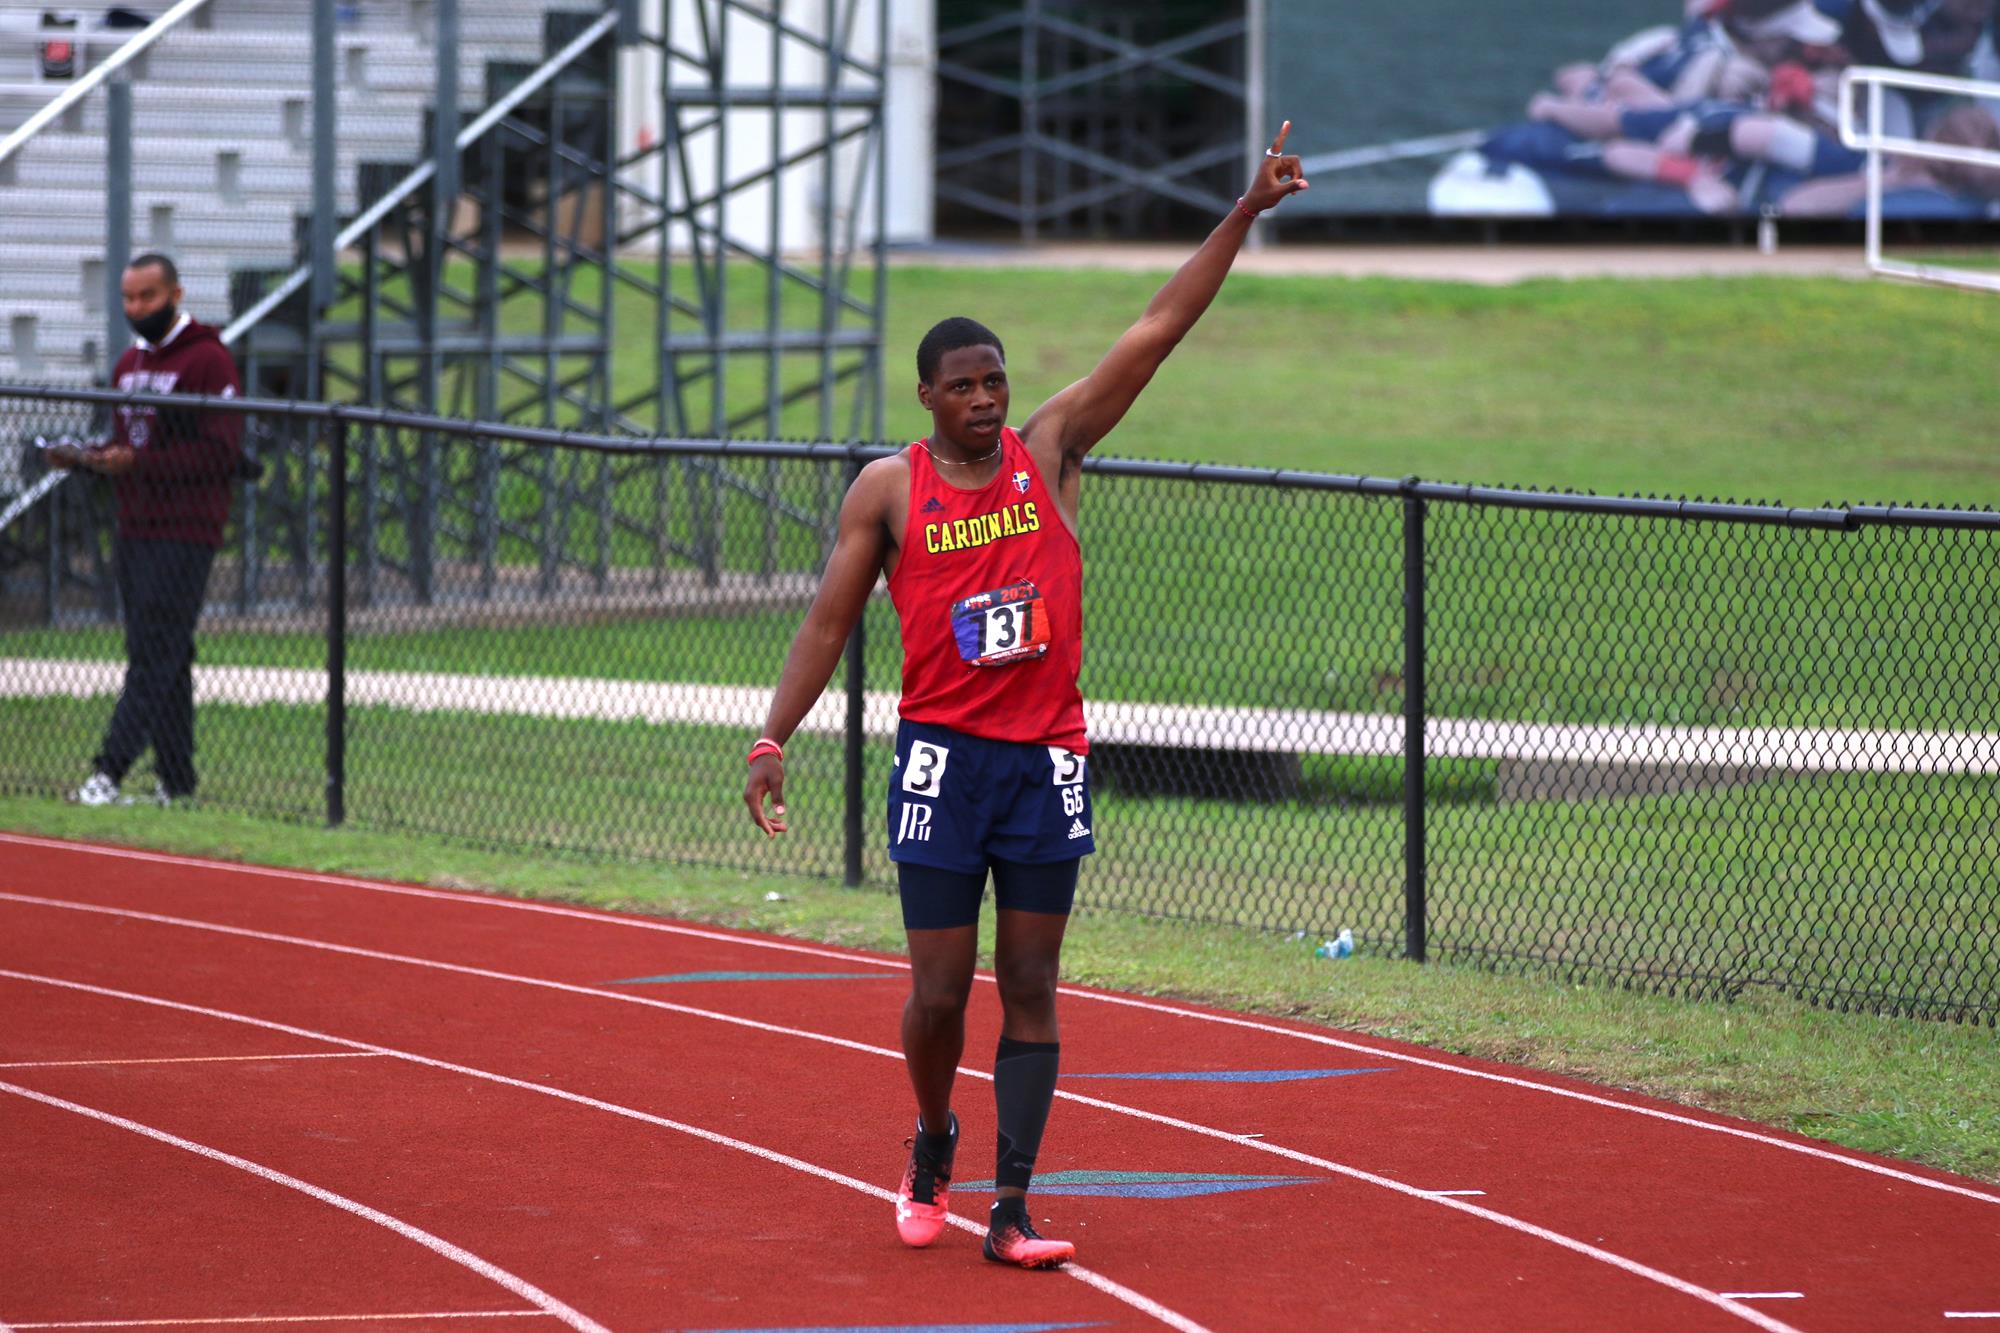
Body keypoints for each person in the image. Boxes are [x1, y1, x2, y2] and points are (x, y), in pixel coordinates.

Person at [743, 125, 1309, 1269]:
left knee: (1034, 982)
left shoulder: (1047, 452)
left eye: (995, 380)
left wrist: (1241, 213)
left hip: (1044, 753)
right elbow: (827, 621)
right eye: (964, 388)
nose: (986, 401)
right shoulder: (888, 491)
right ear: (927, 397)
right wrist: (772, 733)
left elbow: (1154, 332)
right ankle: (928, 1138)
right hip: (944, 759)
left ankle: (1009, 1205)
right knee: (941, 990)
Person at [50, 252, 243, 807]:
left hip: (186, 527)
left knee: (154, 651)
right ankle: (178, 782)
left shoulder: (208, 361)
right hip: (135, 523)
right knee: (165, 652)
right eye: (129, 299)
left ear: (175, 295)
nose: (137, 309)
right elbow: (127, 443)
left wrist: (140, 466)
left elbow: (219, 452)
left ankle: (107, 773)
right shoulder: (129, 364)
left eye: (148, 298)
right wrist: (91, 459)